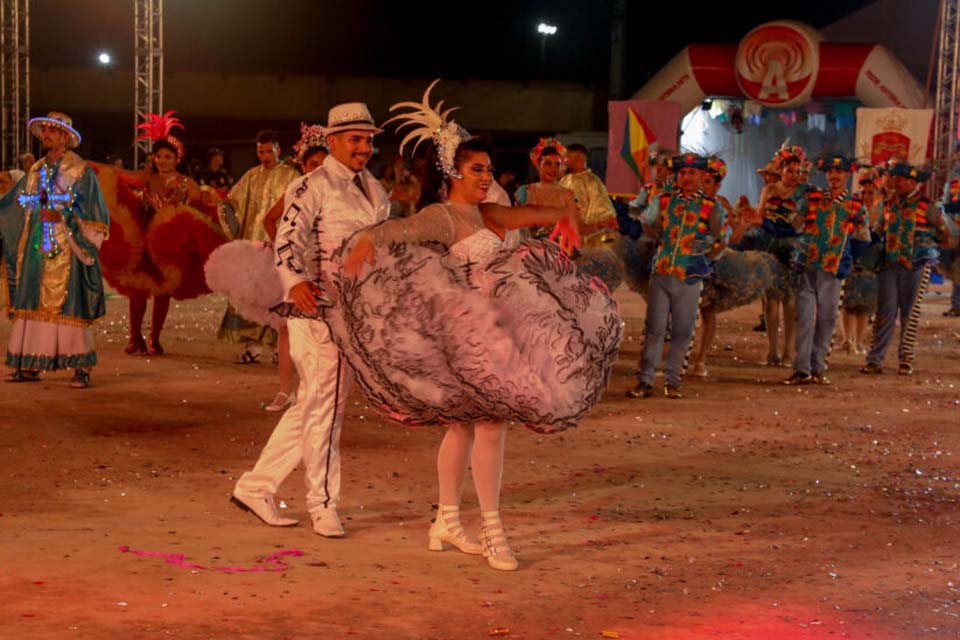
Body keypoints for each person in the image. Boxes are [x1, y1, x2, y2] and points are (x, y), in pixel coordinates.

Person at [341, 81, 592, 571]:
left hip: (499, 332)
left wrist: (568, 215)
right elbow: (400, 230)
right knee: (491, 426)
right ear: (452, 171)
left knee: (462, 429)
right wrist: (368, 237)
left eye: (490, 170)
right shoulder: (444, 217)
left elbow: (542, 210)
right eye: (478, 169)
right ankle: (494, 530)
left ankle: (447, 521)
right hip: (465, 340)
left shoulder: (489, 212)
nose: (487, 177)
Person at [230, 103, 391, 538]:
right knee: (327, 408)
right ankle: (322, 504)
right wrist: (297, 282)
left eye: (368, 139)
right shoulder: (311, 185)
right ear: (333, 141)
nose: (363, 147)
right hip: (316, 311)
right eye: (355, 139)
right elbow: (286, 240)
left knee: (316, 405)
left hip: (352, 315)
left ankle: (256, 486)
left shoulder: (374, 188)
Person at [97, 111, 224, 356]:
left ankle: (155, 339)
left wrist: (209, 200)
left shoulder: (186, 182)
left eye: (168, 156)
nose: (162, 160)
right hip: (142, 238)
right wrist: (90, 166)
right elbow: (119, 175)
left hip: (169, 247)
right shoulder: (147, 178)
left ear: (177, 159)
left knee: (163, 291)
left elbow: (202, 202)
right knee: (137, 291)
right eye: (159, 156)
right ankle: (135, 338)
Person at [1, 111, 109, 388]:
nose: (47, 135)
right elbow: (17, 201)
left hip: (67, 246)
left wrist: (65, 218)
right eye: (45, 130)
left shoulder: (81, 171)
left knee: (68, 304)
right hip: (37, 244)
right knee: (32, 301)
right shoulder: (36, 170)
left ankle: (80, 367)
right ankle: (29, 363)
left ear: (65, 137)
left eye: (53, 130)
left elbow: (95, 214)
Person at [626, 153, 724, 399]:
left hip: (691, 276)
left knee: (683, 330)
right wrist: (660, 238)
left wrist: (705, 260)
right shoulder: (664, 200)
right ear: (676, 176)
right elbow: (647, 223)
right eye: (682, 173)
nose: (687, 177)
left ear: (702, 176)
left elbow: (721, 240)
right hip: (662, 271)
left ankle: (673, 380)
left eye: (692, 173)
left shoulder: (712, 207)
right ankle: (646, 380)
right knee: (655, 328)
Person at [860, 161, 956, 375]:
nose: (897, 182)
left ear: (912, 182)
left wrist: (930, 247)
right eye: (896, 178)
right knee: (885, 312)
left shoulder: (926, 205)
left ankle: (906, 359)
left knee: (909, 314)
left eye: (901, 179)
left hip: (917, 265)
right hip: (889, 263)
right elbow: (878, 230)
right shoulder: (888, 203)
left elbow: (943, 231)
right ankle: (875, 359)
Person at [782, 154, 869, 386]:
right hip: (808, 266)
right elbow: (794, 225)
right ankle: (803, 369)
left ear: (847, 175)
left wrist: (847, 259)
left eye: (839, 172)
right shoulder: (812, 198)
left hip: (833, 269)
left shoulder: (856, 204)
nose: (834, 176)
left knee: (828, 319)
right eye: (830, 172)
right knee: (806, 319)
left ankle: (818, 366)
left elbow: (863, 238)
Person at [261, 122, 328, 412]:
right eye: (313, 164)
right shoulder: (295, 189)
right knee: (288, 329)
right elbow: (269, 218)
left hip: (326, 270)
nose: (318, 169)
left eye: (324, 164)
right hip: (298, 268)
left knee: (324, 330)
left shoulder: (336, 193)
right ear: (303, 165)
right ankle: (285, 390)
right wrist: (282, 245)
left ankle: (316, 390)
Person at [217, 130, 299, 364]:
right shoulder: (251, 176)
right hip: (253, 247)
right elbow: (233, 203)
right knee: (252, 296)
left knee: (277, 295)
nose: (264, 155)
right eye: (260, 151)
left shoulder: (291, 176)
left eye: (268, 150)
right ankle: (252, 346)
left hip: (279, 246)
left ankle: (277, 346)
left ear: (278, 149)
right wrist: (221, 205)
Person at [754, 144, 811, 366]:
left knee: (790, 301)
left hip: (794, 249)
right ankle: (772, 350)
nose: (793, 176)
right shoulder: (769, 190)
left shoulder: (803, 193)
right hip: (770, 247)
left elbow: (801, 224)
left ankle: (788, 351)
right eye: (789, 171)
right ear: (781, 170)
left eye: (797, 172)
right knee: (770, 302)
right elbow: (760, 217)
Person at [840, 169, 884, 353]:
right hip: (853, 257)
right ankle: (846, 339)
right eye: (863, 192)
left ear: (877, 193)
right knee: (848, 300)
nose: (866, 195)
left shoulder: (882, 211)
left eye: (870, 192)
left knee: (865, 304)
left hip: (871, 260)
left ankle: (858, 341)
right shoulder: (854, 207)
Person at [559, 143, 617, 246]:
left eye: (566, 157)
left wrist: (584, 228)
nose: (563, 160)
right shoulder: (564, 180)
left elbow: (601, 212)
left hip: (586, 240)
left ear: (578, 158)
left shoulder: (592, 182)